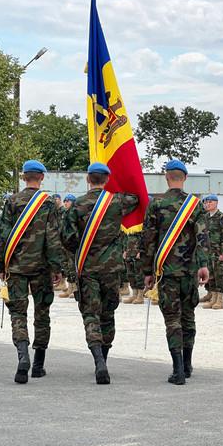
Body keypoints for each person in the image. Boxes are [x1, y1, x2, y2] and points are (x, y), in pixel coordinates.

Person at [61, 163, 139, 384]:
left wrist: (81, 247)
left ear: (87, 179)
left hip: (87, 268)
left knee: (90, 313)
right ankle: (104, 358)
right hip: (112, 269)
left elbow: (67, 239)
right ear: (106, 180)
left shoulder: (77, 204)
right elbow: (135, 197)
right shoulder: (116, 202)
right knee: (108, 313)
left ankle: (98, 362)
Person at [140, 159, 209, 385]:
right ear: (185, 178)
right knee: (188, 317)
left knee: (172, 319)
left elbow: (148, 240)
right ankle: (188, 365)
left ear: (167, 177)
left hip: (166, 272)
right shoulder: (195, 204)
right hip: (190, 272)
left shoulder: (157, 203)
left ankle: (177, 369)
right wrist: (203, 264)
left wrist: (147, 271)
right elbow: (203, 237)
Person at [0, 160, 63, 384]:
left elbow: (2, 237)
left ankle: (23, 357)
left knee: (18, 314)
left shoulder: (12, 202)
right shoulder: (49, 203)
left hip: (16, 269)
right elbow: (53, 238)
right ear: (42, 177)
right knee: (42, 315)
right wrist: (57, 268)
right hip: (41, 269)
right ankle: (38, 365)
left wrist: (0, 268)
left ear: (23, 177)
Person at [201, 195, 223, 310]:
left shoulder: (221, 217)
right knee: (210, 275)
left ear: (216, 203)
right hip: (208, 252)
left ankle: (219, 300)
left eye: (210, 202)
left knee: (218, 275)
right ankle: (213, 298)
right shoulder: (205, 217)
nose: (208, 204)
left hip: (218, 252)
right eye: (206, 203)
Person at [58, 195, 79, 298]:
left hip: (72, 244)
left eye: (68, 202)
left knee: (72, 265)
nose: (66, 203)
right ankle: (70, 286)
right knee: (66, 265)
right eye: (65, 202)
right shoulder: (64, 213)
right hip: (64, 243)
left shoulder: (74, 213)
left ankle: (75, 288)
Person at [122, 228, 145, 305]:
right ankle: (134, 294)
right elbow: (126, 238)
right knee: (130, 274)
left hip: (137, 253)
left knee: (139, 273)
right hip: (129, 252)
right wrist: (125, 250)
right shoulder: (128, 226)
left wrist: (141, 251)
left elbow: (145, 238)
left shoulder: (141, 225)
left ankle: (140, 296)